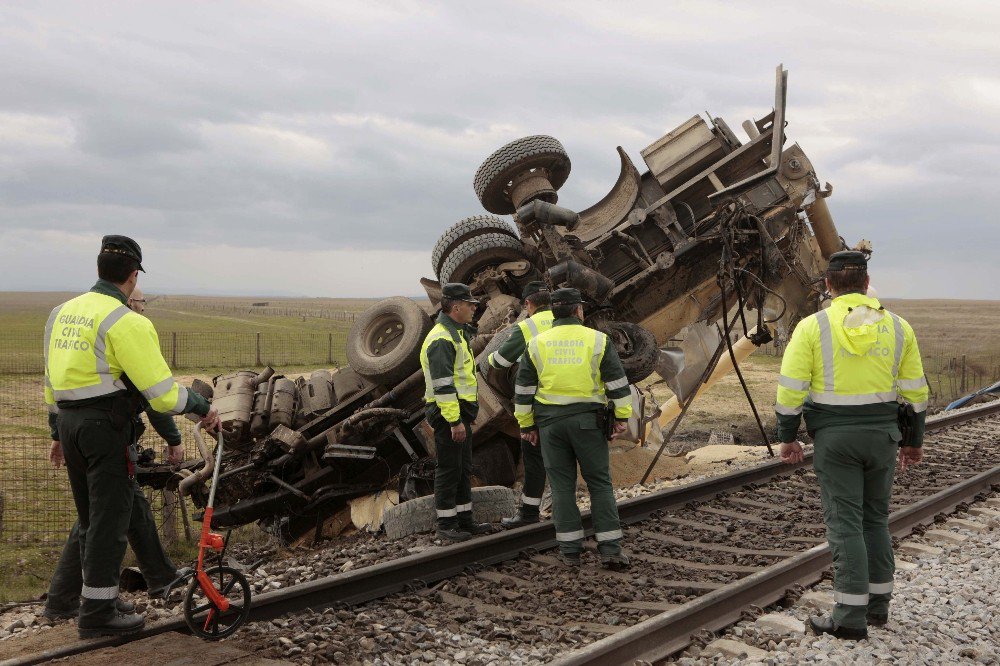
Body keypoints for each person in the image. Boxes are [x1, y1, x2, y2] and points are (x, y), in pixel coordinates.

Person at [43, 235, 219, 638]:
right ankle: (97, 616)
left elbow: (51, 382)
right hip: (105, 428)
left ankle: (99, 597)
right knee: (109, 521)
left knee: (91, 518)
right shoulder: (127, 321)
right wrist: (202, 408)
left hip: (69, 426)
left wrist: (56, 432)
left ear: (99, 269)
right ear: (133, 274)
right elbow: (160, 393)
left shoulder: (61, 313)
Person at [775, 250, 928, 640]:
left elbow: (791, 387)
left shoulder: (812, 327)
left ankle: (849, 618)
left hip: (836, 439)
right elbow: (915, 392)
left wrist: (788, 436)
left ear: (828, 285)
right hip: (883, 438)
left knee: (845, 525)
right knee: (875, 520)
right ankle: (878, 608)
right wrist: (913, 441)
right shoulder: (898, 327)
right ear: (866, 281)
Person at [513, 288, 632, 568]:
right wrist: (622, 417)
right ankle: (611, 551)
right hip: (588, 423)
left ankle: (570, 552)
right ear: (579, 311)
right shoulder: (598, 340)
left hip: (550, 426)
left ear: (554, 312)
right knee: (600, 484)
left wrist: (526, 425)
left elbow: (523, 390)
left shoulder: (536, 344)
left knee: (562, 487)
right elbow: (617, 384)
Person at [419, 282, 491, 542]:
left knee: (462, 468)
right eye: (470, 304)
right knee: (449, 468)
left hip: (459, 414)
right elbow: (443, 385)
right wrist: (454, 421)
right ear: (456, 307)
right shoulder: (441, 339)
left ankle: (464, 521)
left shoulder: (456, 333)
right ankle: (446, 524)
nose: (475, 307)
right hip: (449, 414)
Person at [487, 281, 554, 528]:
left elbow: (501, 361)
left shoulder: (528, 326)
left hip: (539, 404)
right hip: (572, 404)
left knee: (535, 459)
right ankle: (563, 508)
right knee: (564, 458)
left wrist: (491, 355)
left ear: (528, 304)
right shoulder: (571, 324)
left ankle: (528, 514)